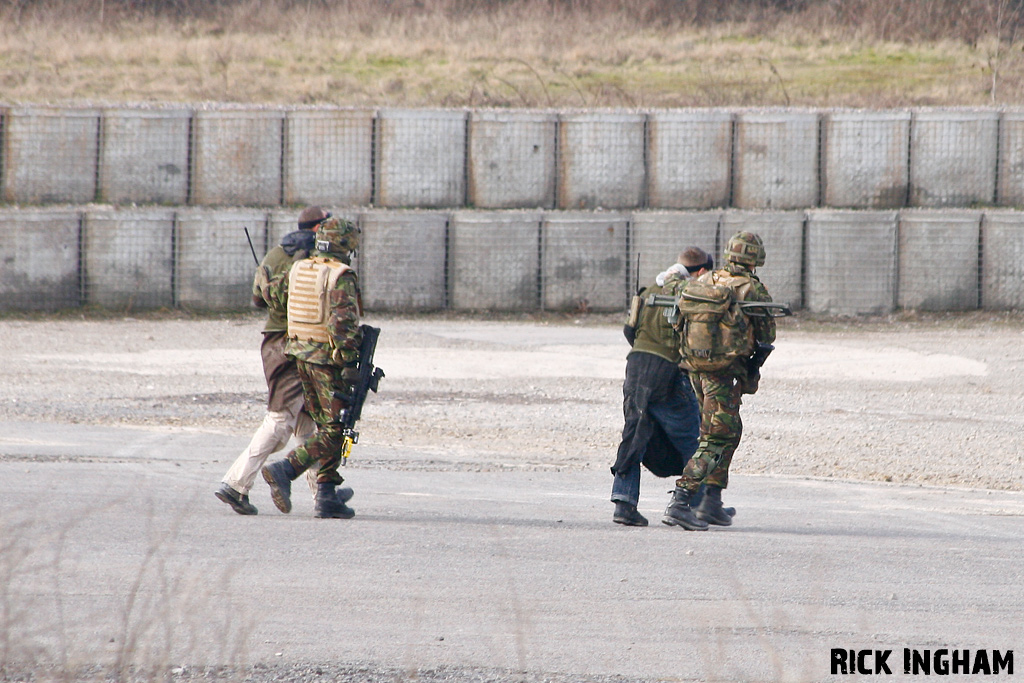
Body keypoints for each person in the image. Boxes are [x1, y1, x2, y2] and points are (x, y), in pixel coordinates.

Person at [214, 206, 334, 515]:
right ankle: (235, 484)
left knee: (308, 424)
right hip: (292, 344)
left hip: (278, 341)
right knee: (281, 421)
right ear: (318, 228)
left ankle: (323, 493)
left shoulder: (275, 254)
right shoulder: (312, 258)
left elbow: (256, 299)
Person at [662, 232, 776, 531]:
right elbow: (768, 335)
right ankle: (682, 500)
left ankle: (711, 500)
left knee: (727, 430)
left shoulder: (706, 280)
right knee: (718, 436)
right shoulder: (752, 288)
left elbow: (676, 302)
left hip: (696, 368)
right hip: (723, 373)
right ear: (755, 258)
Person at [260, 217, 364, 519]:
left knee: (326, 424)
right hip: (327, 361)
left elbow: (274, 297)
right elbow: (343, 324)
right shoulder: (340, 275)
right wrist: (349, 361)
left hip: (299, 353)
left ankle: (327, 493)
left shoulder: (300, 268)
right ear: (344, 246)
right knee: (335, 429)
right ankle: (285, 469)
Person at [609, 247, 714, 526]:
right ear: (701, 271)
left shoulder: (647, 291)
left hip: (636, 368)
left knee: (634, 434)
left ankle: (624, 503)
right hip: (667, 371)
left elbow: (629, 329)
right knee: (694, 441)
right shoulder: (691, 294)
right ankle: (695, 505)